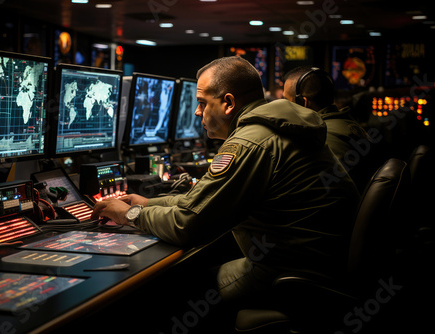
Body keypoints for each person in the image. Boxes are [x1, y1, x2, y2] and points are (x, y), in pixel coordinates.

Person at [91, 57, 359, 308]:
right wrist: (149, 202)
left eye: (202, 102)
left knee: (170, 287)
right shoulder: (272, 129)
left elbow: (188, 224)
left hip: (290, 274)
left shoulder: (248, 142)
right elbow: (202, 202)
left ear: (228, 103)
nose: (197, 112)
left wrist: (130, 214)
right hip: (320, 263)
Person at [283, 66, 374, 190]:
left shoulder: (319, 140)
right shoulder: (348, 125)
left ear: (303, 103)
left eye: (286, 101)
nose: (283, 107)